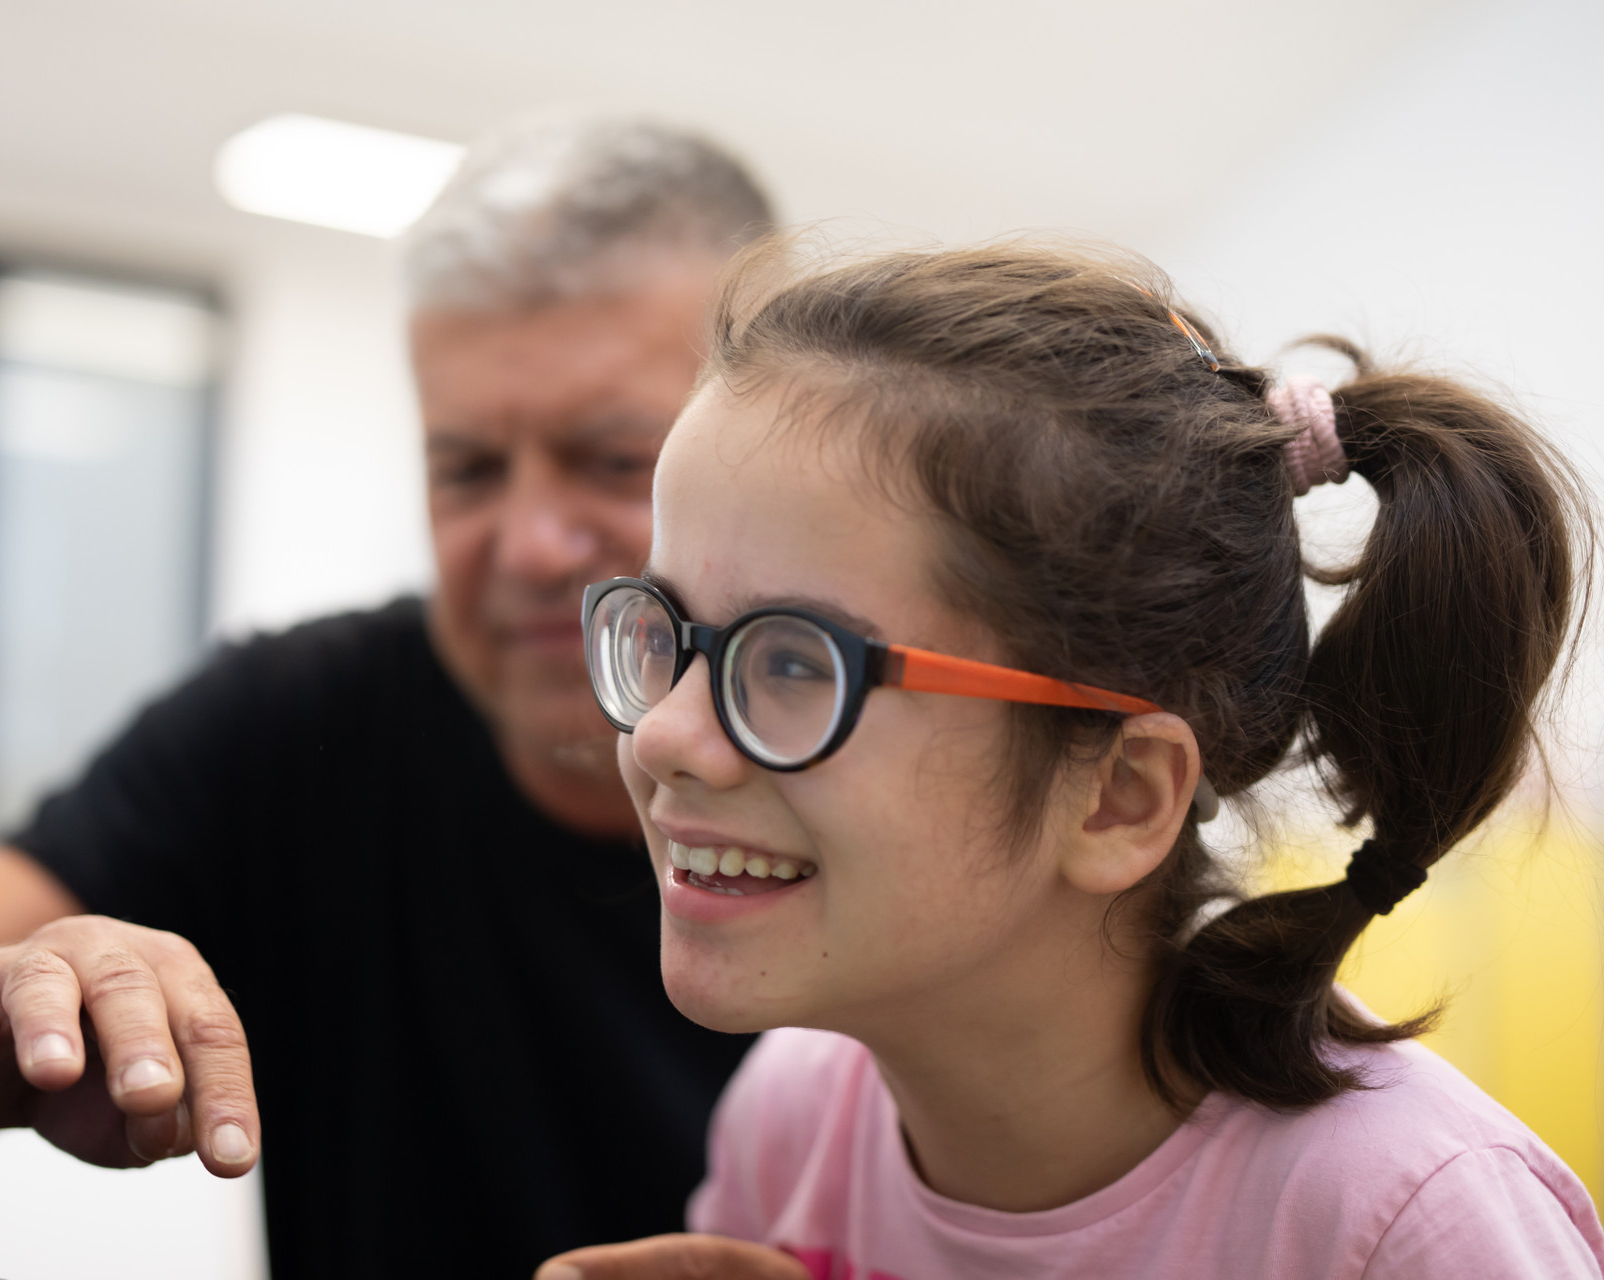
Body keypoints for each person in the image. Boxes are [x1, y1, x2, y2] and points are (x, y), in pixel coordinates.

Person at [541, 239, 1604, 1278]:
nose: (664, 735)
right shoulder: (800, 1113)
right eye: (664, 633)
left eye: (794, 663)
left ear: (1118, 795)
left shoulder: (1406, 1224)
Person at [0, 118, 776, 1276]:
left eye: (616, 460)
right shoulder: (299, 724)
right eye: (467, 469)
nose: (530, 543)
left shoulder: (889, 767)